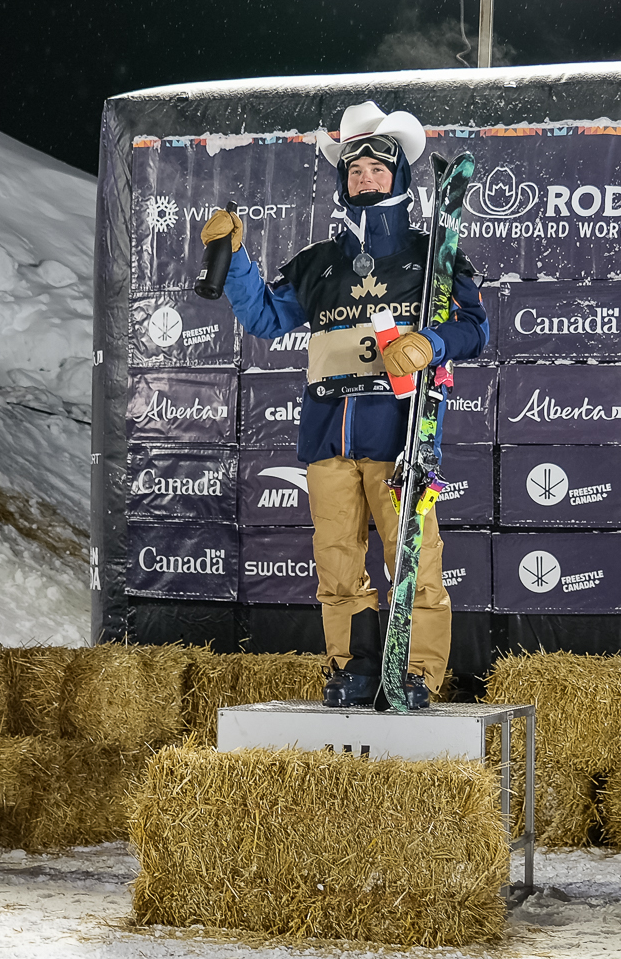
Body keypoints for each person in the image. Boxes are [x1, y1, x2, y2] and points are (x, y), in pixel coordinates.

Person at [203, 102, 488, 708]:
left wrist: (432, 342)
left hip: (402, 437)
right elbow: (263, 316)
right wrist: (236, 260)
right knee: (337, 566)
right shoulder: (319, 261)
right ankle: (353, 668)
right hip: (328, 436)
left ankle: (416, 674)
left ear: (400, 177)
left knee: (415, 560)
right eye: (354, 170)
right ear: (342, 180)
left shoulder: (432, 254)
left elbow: (477, 330)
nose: (365, 177)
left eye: (377, 169)